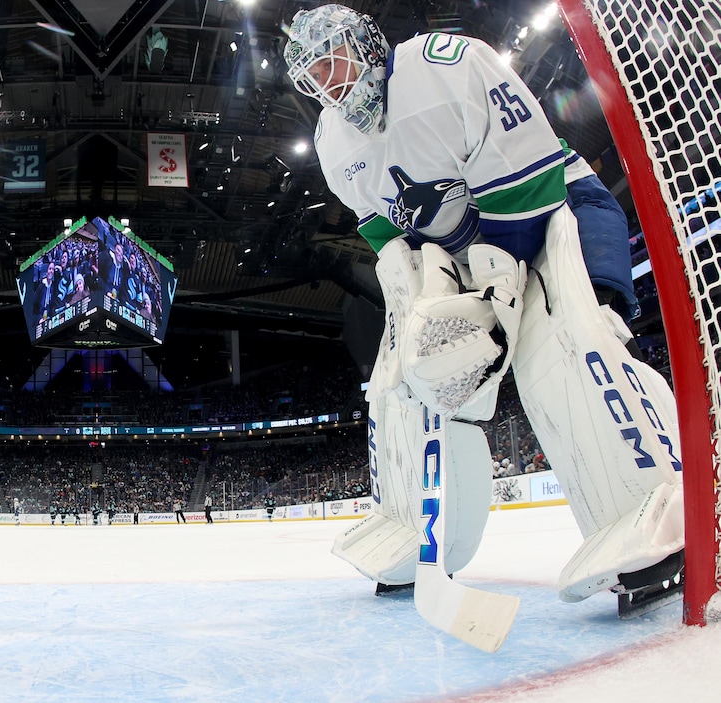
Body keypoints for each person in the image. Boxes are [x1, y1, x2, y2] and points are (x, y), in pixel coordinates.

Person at [283, 5, 684, 607]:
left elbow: (531, 188)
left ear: (364, 42)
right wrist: (424, 321)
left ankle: (650, 505)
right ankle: (417, 527)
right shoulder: (336, 143)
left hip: (551, 219)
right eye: (316, 72)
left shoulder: (447, 67)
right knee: (412, 382)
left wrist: (490, 308)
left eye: (334, 56)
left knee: (565, 346)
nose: (331, 78)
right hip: (463, 258)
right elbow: (393, 248)